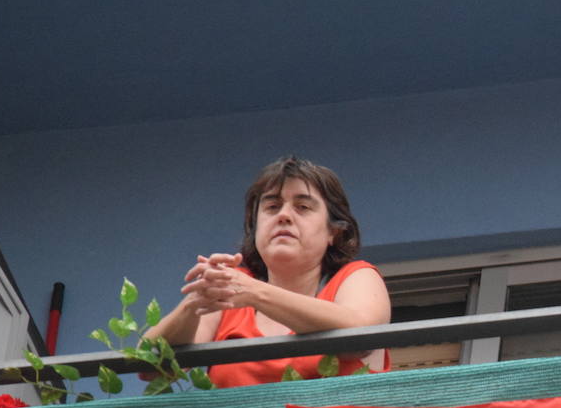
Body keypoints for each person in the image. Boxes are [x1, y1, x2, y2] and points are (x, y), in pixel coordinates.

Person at [147, 156, 391, 387]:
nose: (284, 215)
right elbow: (151, 369)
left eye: (303, 207)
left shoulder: (356, 276)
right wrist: (194, 303)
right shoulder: (232, 288)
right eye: (272, 207)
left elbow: (360, 336)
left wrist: (254, 292)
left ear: (333, 232)